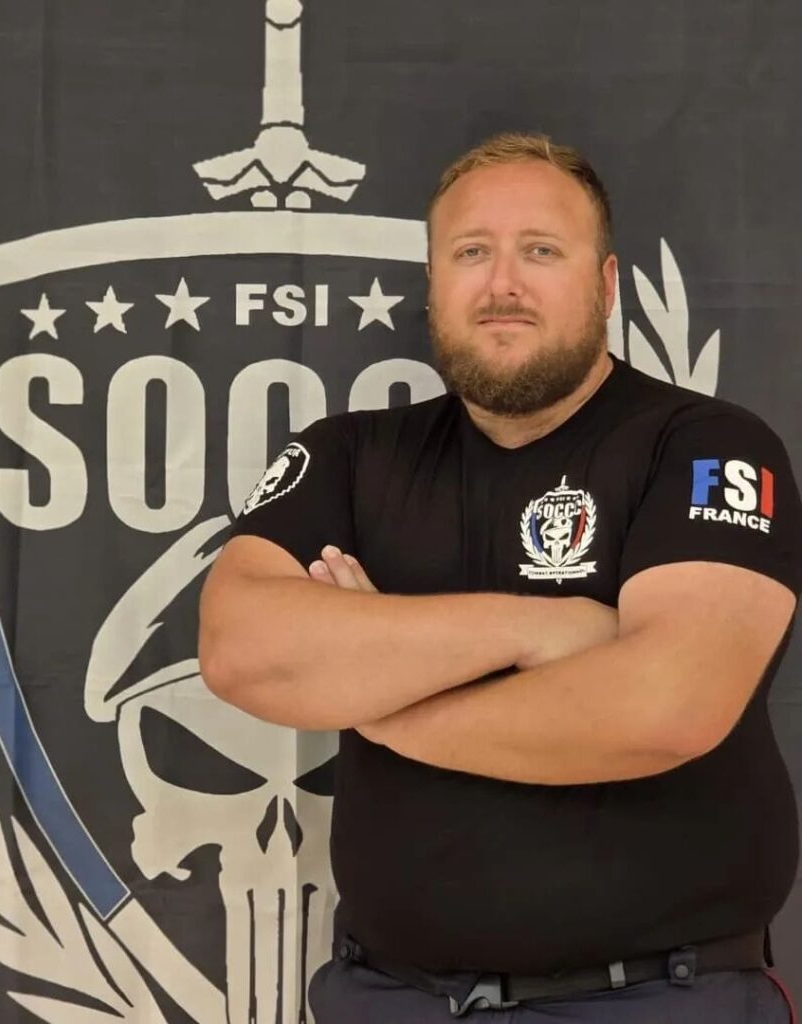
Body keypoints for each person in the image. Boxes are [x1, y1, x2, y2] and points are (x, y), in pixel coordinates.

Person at [197, 131, 801, 1022]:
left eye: (541, 251)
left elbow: (670, 705)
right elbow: (239, 649)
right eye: (471, 252)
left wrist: (384, 706)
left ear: (605, 286)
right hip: (387, 996)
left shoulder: (706, 447)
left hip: (655, 997)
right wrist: (543, 627)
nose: (502, 284)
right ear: (433, 282)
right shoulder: (350, 456)